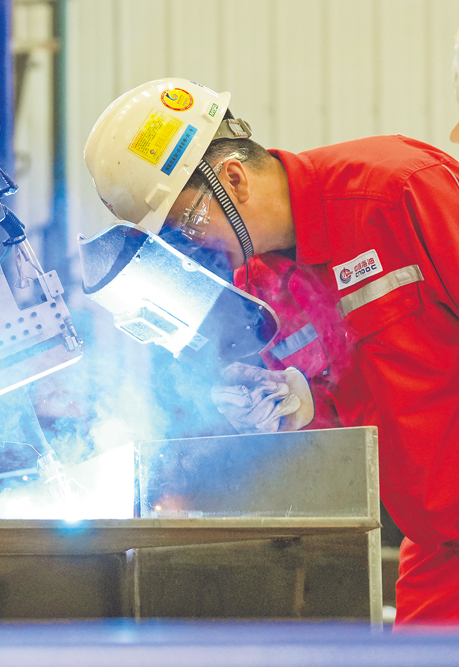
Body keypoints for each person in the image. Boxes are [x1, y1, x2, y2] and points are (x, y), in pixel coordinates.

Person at [82, 78, 459, 624]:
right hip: (439, 542)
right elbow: (361, 403)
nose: (191, 249)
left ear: (233, 178)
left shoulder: (397, 191)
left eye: (187, 224)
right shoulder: (259, 294)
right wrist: (300, 406)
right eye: (173, 239)